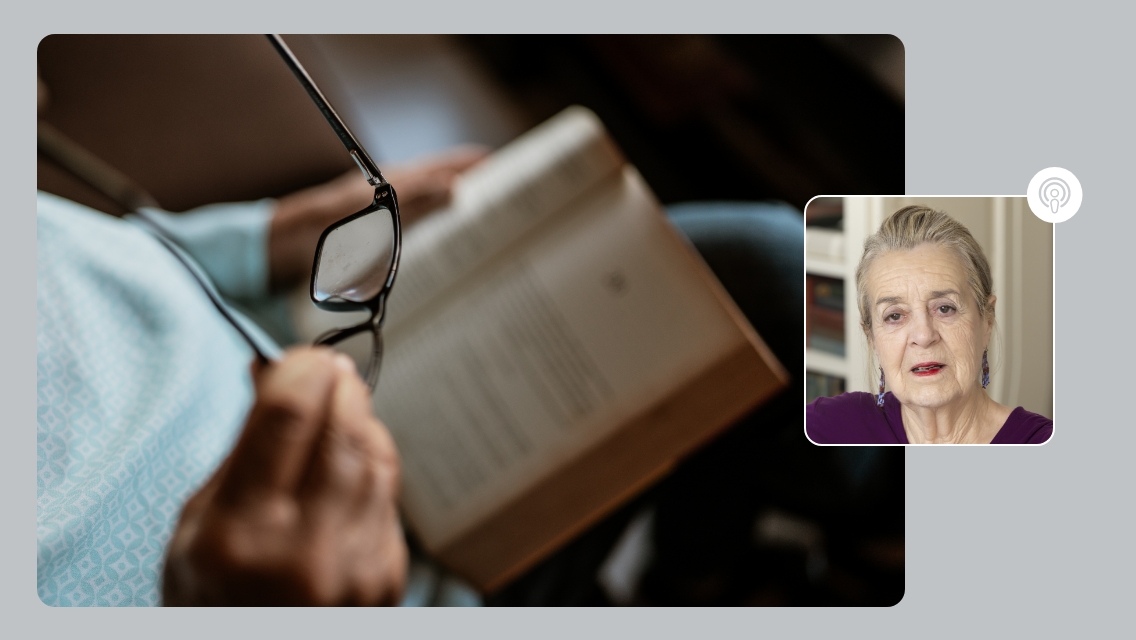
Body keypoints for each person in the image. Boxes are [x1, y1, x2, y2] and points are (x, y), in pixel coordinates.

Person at [806, 206, 1053, 445]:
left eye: (945, 308)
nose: (924, 336)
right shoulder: (825, 427)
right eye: (894, 316)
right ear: (872, 338)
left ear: (987, 320)